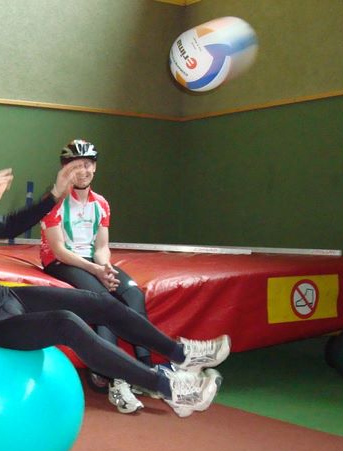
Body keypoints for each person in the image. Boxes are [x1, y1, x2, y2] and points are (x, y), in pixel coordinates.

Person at [0, 137, 231, 418]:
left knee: (99, 301)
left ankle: (180, 354)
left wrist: (55, 194)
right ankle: (169, 389)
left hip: (0, 299)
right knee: (66, 323)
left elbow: (9, 225)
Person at [39, 140, 230, 414]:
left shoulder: (101, 204)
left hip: (92, 261)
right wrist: (96, 271)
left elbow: (101, 247)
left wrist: (106, 267)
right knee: (103, 302)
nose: (83, 170)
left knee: (132, 294)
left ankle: (146, 369)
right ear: (65, 170)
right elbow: (59, 250)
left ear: (95, 167)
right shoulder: (55, 203)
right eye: (76, 165)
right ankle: (117, 379)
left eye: (88, 164)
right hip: (63, 262)